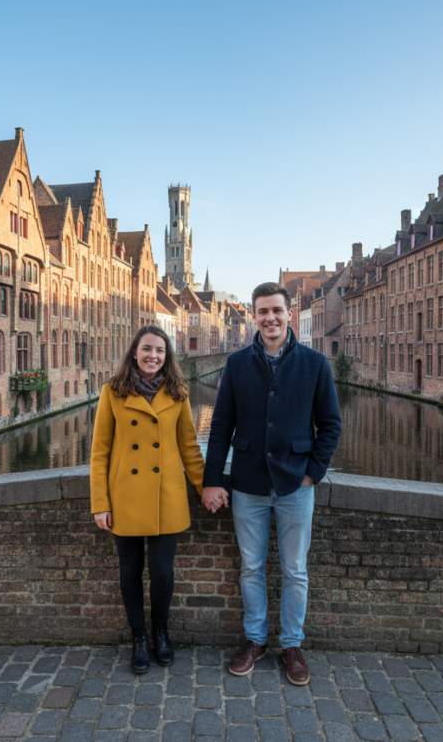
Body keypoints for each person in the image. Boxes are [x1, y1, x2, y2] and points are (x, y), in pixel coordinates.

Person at [201, 282, 341, 685]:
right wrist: (213, 480)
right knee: (251, 568)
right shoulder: (237, 363)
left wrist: (314, 471)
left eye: (276, 310)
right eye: (262, 312)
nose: (270, 318)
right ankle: (255, 640)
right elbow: (222, 425)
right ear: (254, 316)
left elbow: (330, 424)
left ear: (289, 314)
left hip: (297, 484)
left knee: (295, 570)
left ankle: (292, 645)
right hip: (247, 483)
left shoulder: (315, 364)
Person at [90, 325, 206, 674]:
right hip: (125, 495)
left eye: (160, 350)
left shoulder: (178, 393)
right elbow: (100, 452)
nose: (153, 356)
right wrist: (100, 502)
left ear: (167, 356)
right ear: (135, 353)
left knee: (163, 574)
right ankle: (138, 637)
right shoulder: (113, 392)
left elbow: (189, 447)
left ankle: (161, 630)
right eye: (147, 349)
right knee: (129, 572)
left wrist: (206, 488)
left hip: (166, 495)